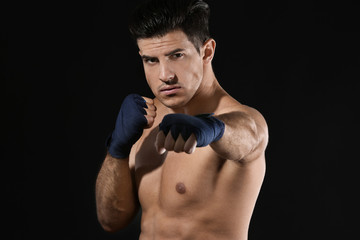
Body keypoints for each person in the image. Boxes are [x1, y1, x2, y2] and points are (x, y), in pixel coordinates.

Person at [95, 0, 269, 239]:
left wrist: (214, 128)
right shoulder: (145, 119)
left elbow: (250, 136)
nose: (164, 75)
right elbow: (111, 220)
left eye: (176, 55)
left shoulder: (239, 120)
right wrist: (117, 148)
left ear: (207, 51)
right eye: (151, 60)